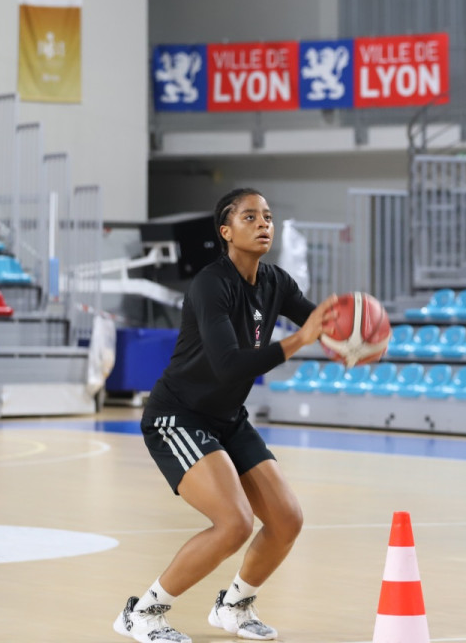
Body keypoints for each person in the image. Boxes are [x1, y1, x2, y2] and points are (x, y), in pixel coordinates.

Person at [113, 188, 337, 643]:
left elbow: (322, 325)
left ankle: (233, 606)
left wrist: (355, 339)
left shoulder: (276, 282)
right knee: (234, 523)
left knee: (287, 518)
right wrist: (301, 341)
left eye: (269, 217)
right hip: (178, 416)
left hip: (227, 418)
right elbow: (229, 364)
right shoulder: (210, 284)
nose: (263, 224)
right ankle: (143, 612)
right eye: (250, 216)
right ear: (225, 231)